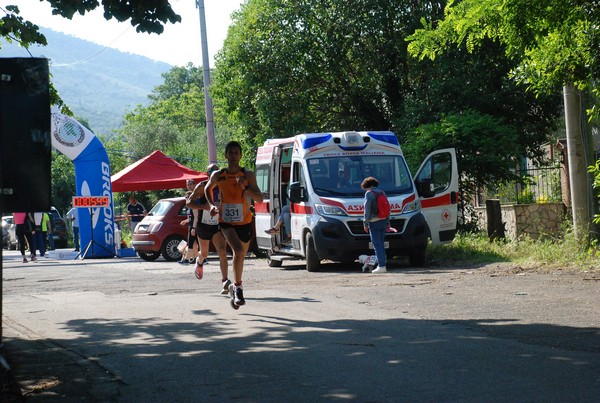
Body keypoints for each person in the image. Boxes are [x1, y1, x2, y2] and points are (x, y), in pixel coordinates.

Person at [205, 141, 264, 308]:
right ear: (225, 155)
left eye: (236, 152)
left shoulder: (248, 175)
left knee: (240, 256)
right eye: (230, 152)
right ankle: (238, 288)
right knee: (238, 250)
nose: (233, 156)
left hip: (244, 221)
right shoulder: (218, 175)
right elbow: (207, 189)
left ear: (240, 155)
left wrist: (244, 188)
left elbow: (259, 198)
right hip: (226, 221)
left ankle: (232, 286)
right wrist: (211, 205)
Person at [186, 164, 229, 292]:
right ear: (208, 174)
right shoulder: (202, 186)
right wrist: (203, 207)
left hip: (217, 225)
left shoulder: (223, 185)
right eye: (213, 172)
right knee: (204, 253)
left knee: (222, 251)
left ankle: (225, 281)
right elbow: (189, 203)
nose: (216, 175)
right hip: (204, 224)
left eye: (218, 172)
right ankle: (199, 262)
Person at [361, 176, 390, 273]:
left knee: (376, 244)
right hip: (383, 220)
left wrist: (365, 223)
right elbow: (388, 208)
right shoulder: (382, 192)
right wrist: (388, 221)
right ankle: (383, 263)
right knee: (381, 243)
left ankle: (382, 266)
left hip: (374, 222)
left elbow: (367, 210)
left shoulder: (369, 194)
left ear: (366, 186)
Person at [179, 184, 199, 265]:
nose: (186, 199)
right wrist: (186, 221)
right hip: (191, 225)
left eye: (187, 197)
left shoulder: (194, 206)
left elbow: (196, 217)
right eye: (186, 197)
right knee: (194, 244)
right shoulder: (189, 207)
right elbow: (191, 217)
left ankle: (186, 260)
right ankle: (199, 258)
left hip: (194, 226)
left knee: (190, 243)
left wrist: (194, 228)